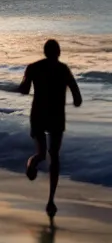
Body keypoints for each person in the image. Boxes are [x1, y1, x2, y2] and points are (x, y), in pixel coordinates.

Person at [19, 39, 82, 218]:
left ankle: (33, 163)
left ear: (45, 52)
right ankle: (51, 200)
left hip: (39, 114)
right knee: (54, 156)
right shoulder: (64, 70)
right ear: (59, 52)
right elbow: (77, 97)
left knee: (42, 154)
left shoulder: (33, 68)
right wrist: (75, 99)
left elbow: (23, 90)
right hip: (55, 117)